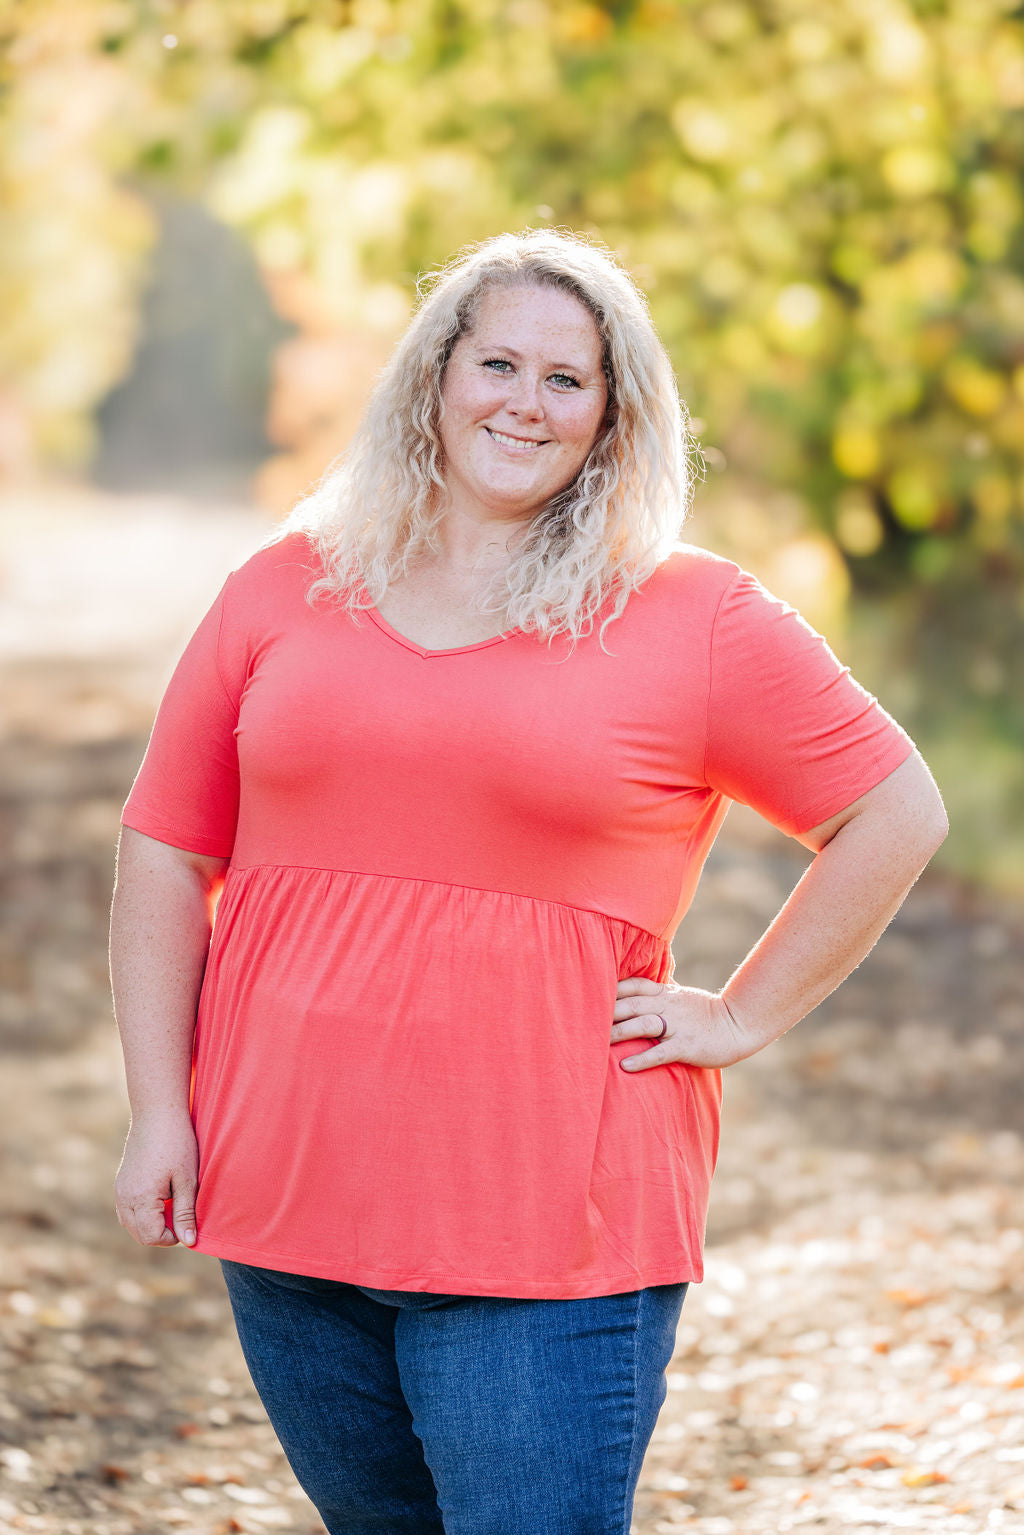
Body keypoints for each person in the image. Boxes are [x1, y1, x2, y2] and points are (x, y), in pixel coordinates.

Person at [109, 228, 948, 1535]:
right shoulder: (284, 587)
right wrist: (161, 1108)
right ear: (435, 379)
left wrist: (740, 1014)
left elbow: (896, 808)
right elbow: (167, 846)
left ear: (616, 415)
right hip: (285, 1215)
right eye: (496, 361)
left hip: (547, 1238)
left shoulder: (695, 617)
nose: (526, 400)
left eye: (569, 379)